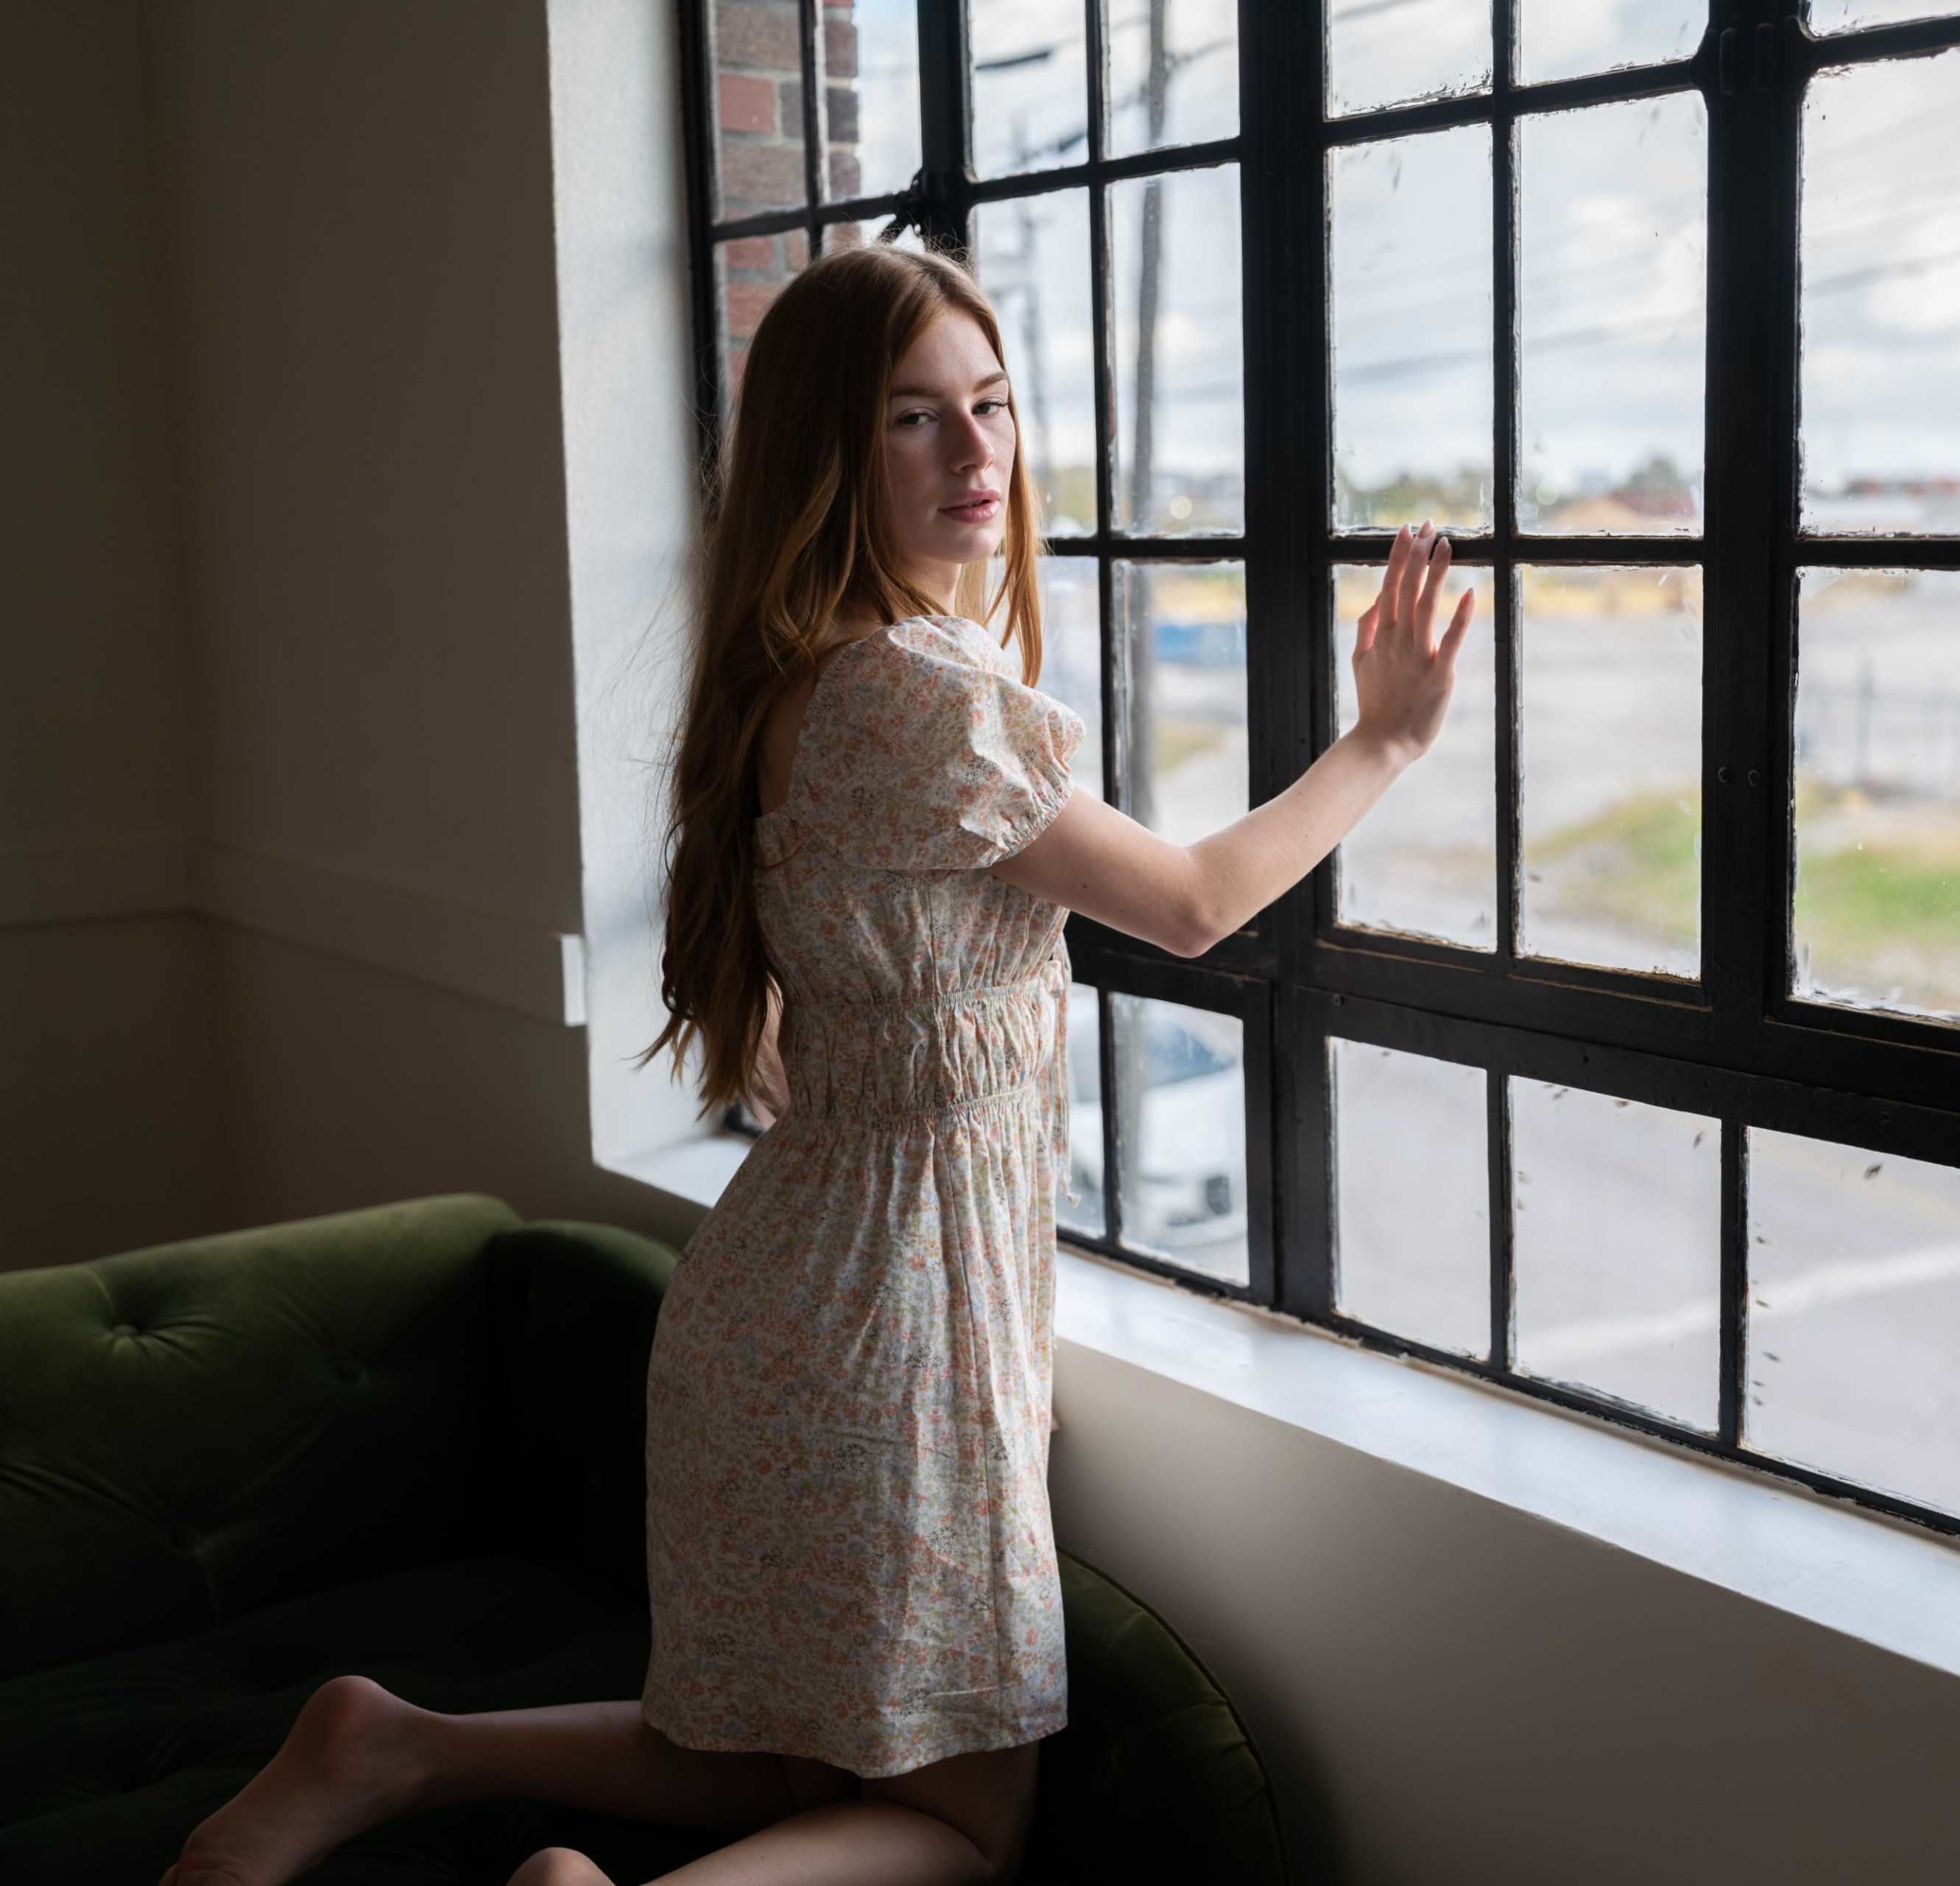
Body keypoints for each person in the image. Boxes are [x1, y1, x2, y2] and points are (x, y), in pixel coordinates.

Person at [159, 241, 1470, 1886]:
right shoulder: (914, 694)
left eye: (990, 405)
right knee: (954, 1832)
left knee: (770, 1766)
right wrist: (1384, 741)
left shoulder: (805, 677)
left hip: (786, 1303)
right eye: (914, 420)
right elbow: (1197, 906)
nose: (977, 455)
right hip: (888, 1330)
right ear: (829, 455)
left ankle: (394, 1746)